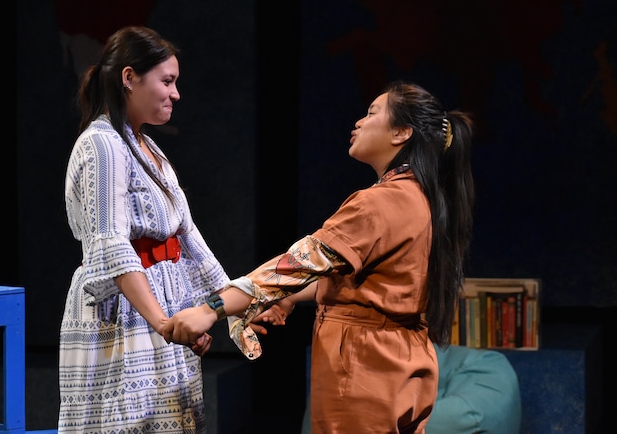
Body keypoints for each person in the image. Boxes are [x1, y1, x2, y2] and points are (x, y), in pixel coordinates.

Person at [163, 80, 476, 433]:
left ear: (402, 133)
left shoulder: (380, 202)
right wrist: (287, 298)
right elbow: (359, 283)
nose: (359, 122)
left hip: (365, 365)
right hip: (401, 361)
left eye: (372, 113)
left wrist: (211, 309)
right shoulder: (421, 199)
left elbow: (298, 264)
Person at [58, 25, 230, 433]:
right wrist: (163, 323)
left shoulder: (149, 148)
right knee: (128, 422)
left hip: (163, 306)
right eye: (167, 81)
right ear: (129, 78)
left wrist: (225, 305)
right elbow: (112, 244)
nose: (176, 93)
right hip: (125, 312)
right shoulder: (103, 144)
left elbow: (187, 238)